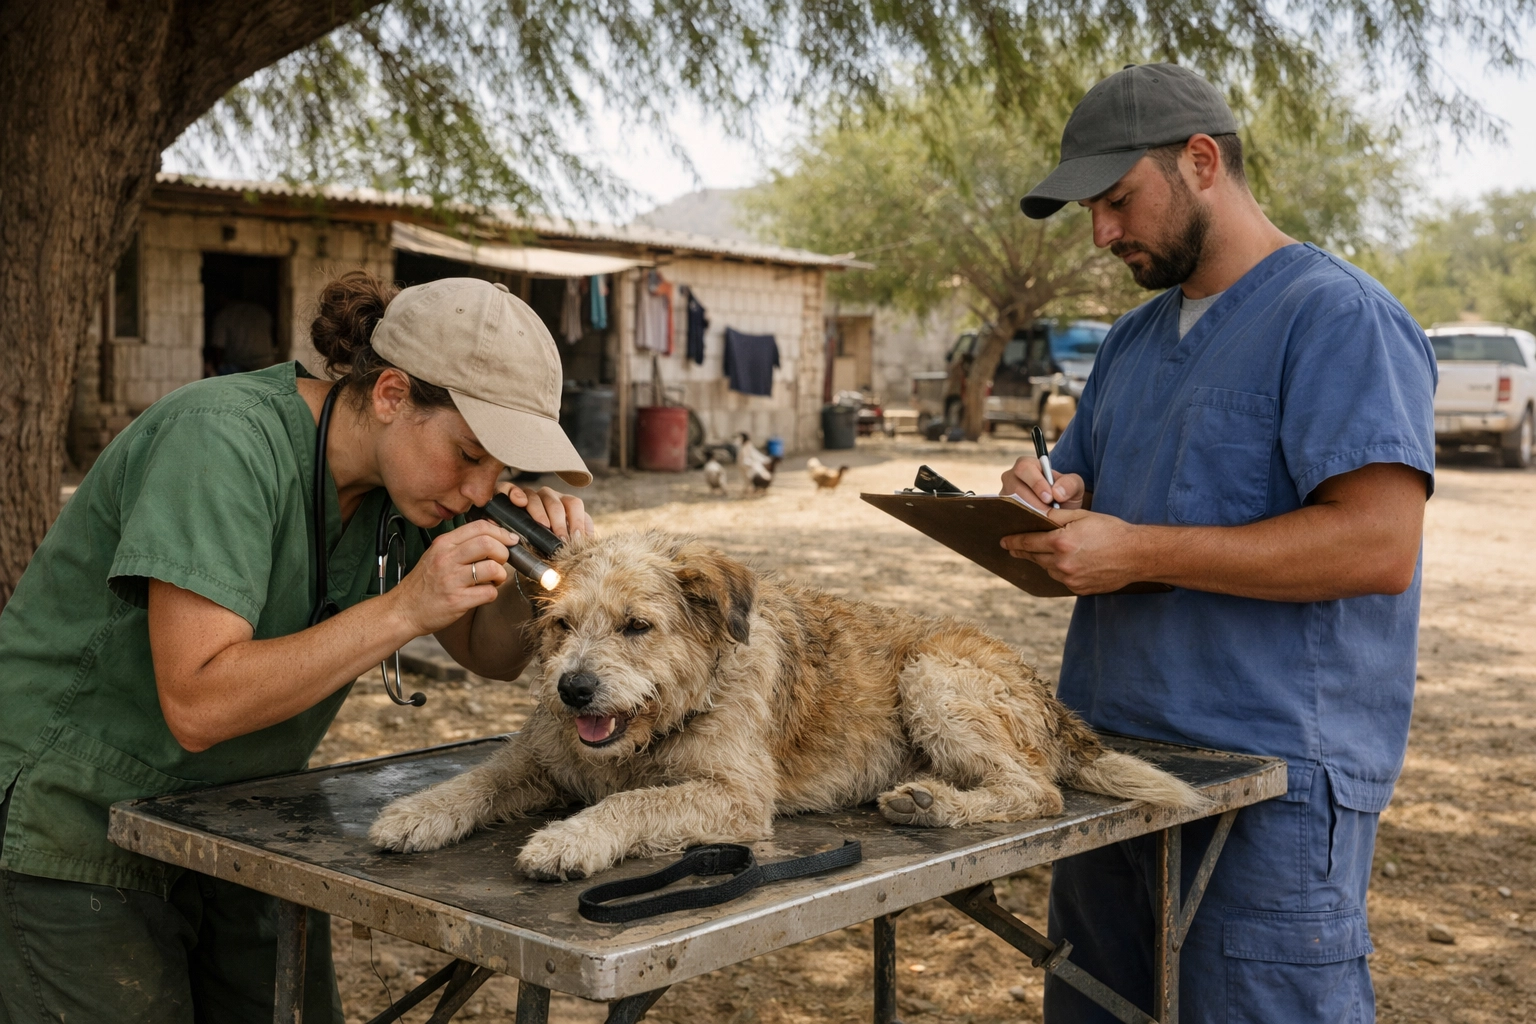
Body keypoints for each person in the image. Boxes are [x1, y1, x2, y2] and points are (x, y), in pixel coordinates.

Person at [0, 271, 596, 1023]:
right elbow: (199, 702)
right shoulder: (220, 442)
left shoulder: (406, 491)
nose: (482, 489)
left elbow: (489, 654)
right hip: (74, 819)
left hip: (235, 816)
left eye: (501, 470)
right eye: (470, 453)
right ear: (390, 396)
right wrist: (406, 606)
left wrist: (529, 578)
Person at [1001, 65, 1435, 1022]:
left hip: (1267, 781)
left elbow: (1377, 547)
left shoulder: (1337, 317)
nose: (1103, 234)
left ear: (1202, 161)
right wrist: (1046, 498)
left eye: (1119, 200)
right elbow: (1087, 496)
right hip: (1107, 760)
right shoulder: (1131, 341)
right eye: (1091, 212)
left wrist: (1141, 550)